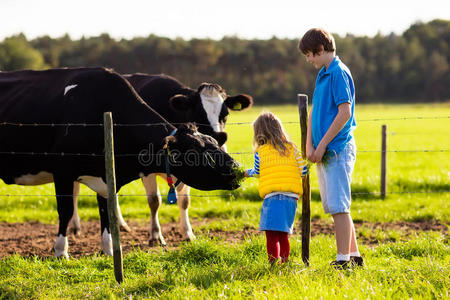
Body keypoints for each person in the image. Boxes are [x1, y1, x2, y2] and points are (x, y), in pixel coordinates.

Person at [298, 28, 363, 269]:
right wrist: (309, 145)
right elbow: (316, 109)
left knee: (339, 207)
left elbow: (345, 113)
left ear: (322, 49)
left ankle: (342, 261)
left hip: (337, 149)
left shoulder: (338, 72)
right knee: (337, 205)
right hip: (323, 150)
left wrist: (322, 145)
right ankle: (354, 257)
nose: (309, 60)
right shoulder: (324, 73)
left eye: (310, 55)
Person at [245, 111, 308, 264]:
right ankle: (285, 261)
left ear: (259, 133)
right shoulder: (292, 148)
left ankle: (273, 263)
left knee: (271, 234)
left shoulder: (261, 152)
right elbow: (304, 170)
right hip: (291, 198)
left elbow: (257, 172)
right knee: (283, 233)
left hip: (272, 197)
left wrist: (246, 173)